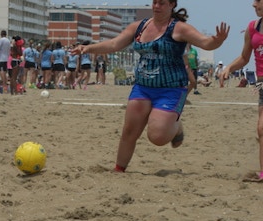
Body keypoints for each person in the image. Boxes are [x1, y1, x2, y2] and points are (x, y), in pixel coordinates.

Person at [72, 0, 228, 173]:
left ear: (171, 5)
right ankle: (119, 169)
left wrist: (217, 40)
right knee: (130, 130)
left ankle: (176, 127)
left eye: (161, 3)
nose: (156, 7)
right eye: (154, 2)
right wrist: (87, 49)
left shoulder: (179, 28)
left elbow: (205, 43)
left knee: (157, 137)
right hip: (143, 86)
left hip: (171, 88)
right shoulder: (139, 27)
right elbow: (114, 44)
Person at [222, 0, 263, 182]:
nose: (253, 4)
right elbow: (244, 57)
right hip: (262, 84)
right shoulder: (252, 28)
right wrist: (229, 68)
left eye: (258, 0)